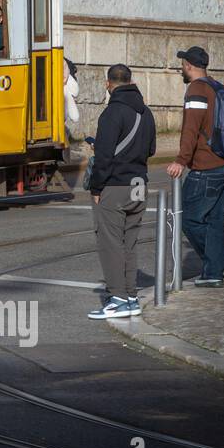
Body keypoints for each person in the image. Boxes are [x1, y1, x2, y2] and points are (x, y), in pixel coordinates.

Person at [87, 64, 157, 319]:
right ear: (131, 81)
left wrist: (96, 187)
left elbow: (104, 156)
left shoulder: (112, 113)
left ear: (109, 84)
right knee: (129, 243)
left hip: (116, 185)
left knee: (110, 243)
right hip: (140, 185)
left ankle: (116, 297)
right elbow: (150, 150)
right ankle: (130, 297)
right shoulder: (146, 113)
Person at [167, 46, 224, 287]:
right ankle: (213, 273)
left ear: (189, 65)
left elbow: (191, 129)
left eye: (182, 64)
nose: (181, 69)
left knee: (188, 219)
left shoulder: (196, 90)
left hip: (206, 168)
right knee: (215, 220)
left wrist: (181, 160)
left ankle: (219, 260)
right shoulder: (217, 87)